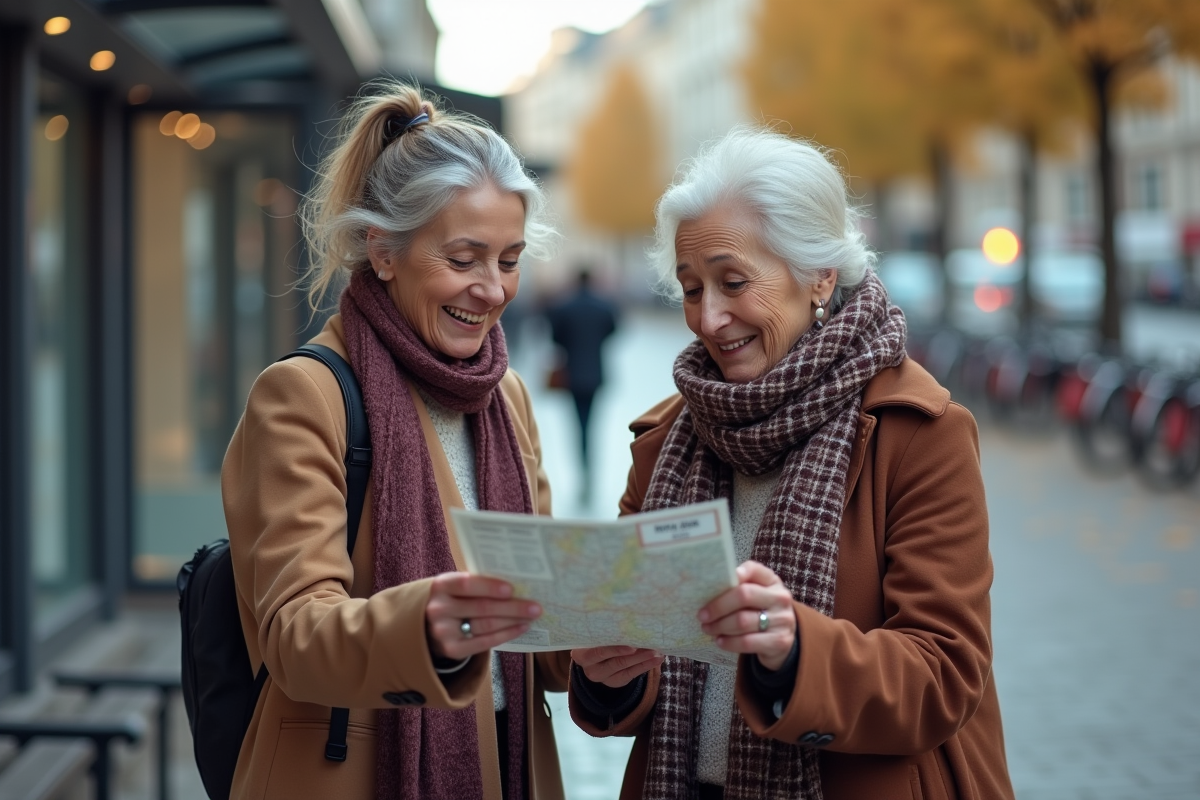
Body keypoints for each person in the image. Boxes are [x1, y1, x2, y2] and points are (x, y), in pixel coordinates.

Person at [567, 128, 1014, 800]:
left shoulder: (922, 434)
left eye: (733, 282)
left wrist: (795, 650)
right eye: (691, 288)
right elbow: (636, 676)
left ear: (819, 275)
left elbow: (943, 673)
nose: (709, 318)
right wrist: (610, 674)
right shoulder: (664, 441)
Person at [221, 83, 570, 800]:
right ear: (383, 250)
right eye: (464, 259)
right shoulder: (303, 395)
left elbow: (536, 624)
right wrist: (427, 628)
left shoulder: (507, 396)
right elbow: (294, 636)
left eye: (509, 260)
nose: (492, 290)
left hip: (508, 770)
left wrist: (608, 641)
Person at [545, 269, 618, 495]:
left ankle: (582, 468)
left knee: (578, 424)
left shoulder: (564, 307)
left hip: (572, 374)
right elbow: (613, 330)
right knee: (591, 423)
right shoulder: (603, 306)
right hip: (595, 373)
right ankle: (589, 469)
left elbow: (555, 337)